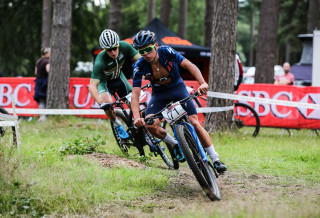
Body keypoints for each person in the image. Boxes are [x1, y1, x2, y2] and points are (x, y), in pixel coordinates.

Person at [130, 30, 227, 174]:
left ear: (155, 45)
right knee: (150, 124)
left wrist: (202, 83)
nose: (146, 54)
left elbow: (189, 65)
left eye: (148, 49)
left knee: (194, 122)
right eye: (141, 51)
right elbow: (135, 94)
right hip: (159, 94)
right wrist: (137, 117)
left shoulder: (166, 51)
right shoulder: (140, 65)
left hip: (177, 88)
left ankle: (215, 159)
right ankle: (175, 144)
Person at [89, 29, 141, 139]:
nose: (113, 52)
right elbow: (92, 86)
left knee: (135, 104)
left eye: (115, 48)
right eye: (109, 50)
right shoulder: (100, 60)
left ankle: (141, 131)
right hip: (104, 83)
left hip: (119, 79)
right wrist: (100, 102)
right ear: (104, 49)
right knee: (108, 103)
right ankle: (117, 125)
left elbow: (141, 60)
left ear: (118, 44)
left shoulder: (124, 46)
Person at [34, 47, 50, 122]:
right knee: (45, 99)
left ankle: (42, 116)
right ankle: (44, 117)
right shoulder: (47, 61)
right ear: (46, 53)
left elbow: (36, 72)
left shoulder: (39, 61)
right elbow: (48, 70)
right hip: (44, 82)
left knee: (41, 101)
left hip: (38, 81)